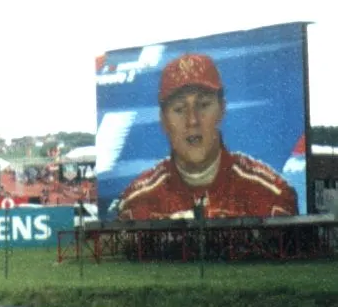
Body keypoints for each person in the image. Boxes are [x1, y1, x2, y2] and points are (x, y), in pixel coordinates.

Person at [116, 53, 299, 221]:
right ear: (163, 120)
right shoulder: (137, 201)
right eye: (179, 109)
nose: (192, 120)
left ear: (222, 109)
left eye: (203, 105)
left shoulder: (272, 195)